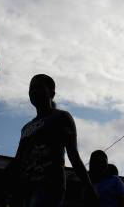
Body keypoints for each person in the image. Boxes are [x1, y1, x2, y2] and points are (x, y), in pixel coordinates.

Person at [7, 74, 98, 206]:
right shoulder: (26, 128)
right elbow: (18, 160)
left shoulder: (61, 117)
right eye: (31, 89)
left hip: (49, 186)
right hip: (25, 189)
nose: (33, 91)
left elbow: (73, 155)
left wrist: (88, 186)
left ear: (52, 93)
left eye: (39, 87)